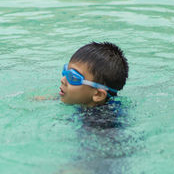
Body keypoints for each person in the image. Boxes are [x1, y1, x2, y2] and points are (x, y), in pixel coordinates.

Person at [35, 42, 132, 173]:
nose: (63, 79)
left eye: (73, 77)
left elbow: (102, 155)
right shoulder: (85, 99)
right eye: (65, 70)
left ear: (97, 94)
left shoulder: (102, 123)